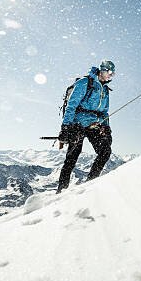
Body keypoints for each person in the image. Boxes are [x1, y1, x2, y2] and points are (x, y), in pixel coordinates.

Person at [56, 60, 115, 193]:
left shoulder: (105, 89)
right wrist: (65, 127)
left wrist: (106, 127)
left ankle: (90, 183)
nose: (111, 76)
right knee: (72, 157)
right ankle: (61, 190)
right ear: (102, 70)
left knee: (105, 151)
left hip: (94, 124)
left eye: (113, 74)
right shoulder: (85, 83)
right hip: (77, 124)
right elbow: (72, 105)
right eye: (110, 72)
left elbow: (105, 111)